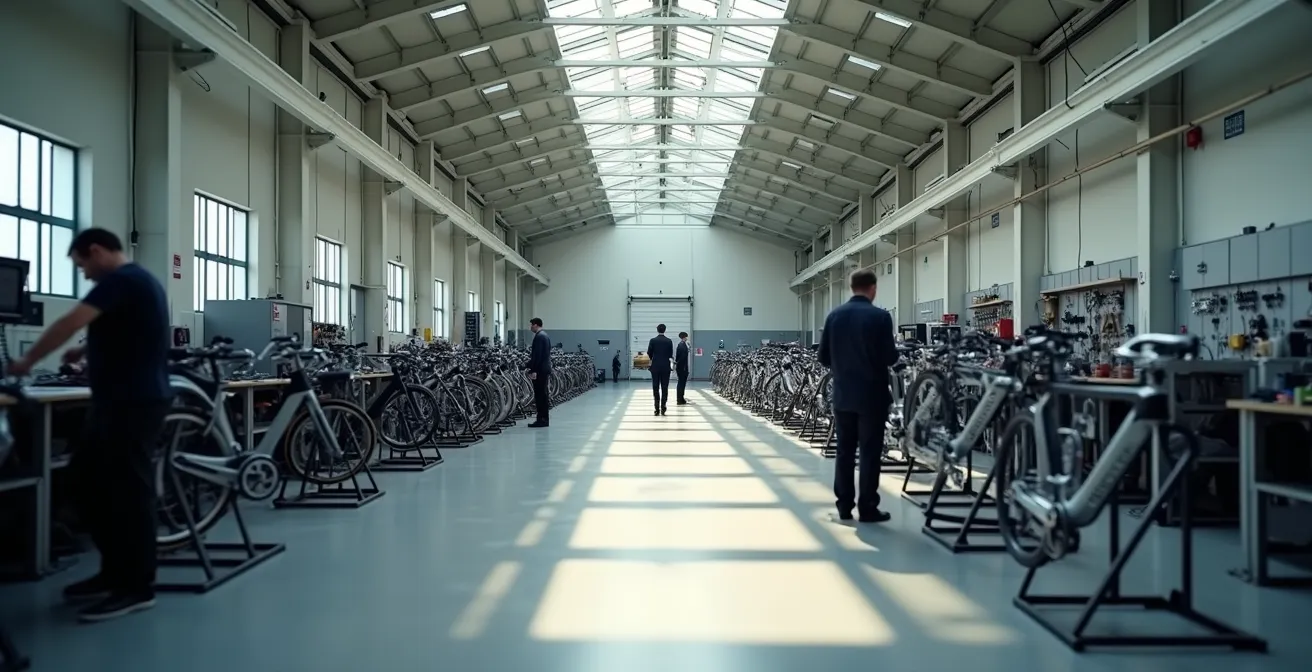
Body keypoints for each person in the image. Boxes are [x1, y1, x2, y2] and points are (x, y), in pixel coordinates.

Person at [6, 228, 172, 622]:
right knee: (88, 482)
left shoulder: (122, 280)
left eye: (82, 266)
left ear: (96, 251)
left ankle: (136, 587)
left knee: (128, 494)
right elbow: (125, 332)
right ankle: (113, 574)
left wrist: (25, 364)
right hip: (121, 401)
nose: (85, 276)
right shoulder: (138, 283)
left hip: (131, 403)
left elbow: (68, 321)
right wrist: (86, 349)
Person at [817, 268, 898, 523]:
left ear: (852, 288)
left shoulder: (834, 316)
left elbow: (822, 357)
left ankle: (843, 506)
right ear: (872, 288)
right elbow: (890, 357)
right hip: (872, 396)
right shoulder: (880, 317)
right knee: (870, 452)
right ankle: (868, 508)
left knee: (844, 450)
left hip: (843, 395)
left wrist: (843, 367)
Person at [525, 317, 552, 428]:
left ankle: (541, 419)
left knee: (540, 395)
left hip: (540, 370)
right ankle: (544, 419)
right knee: (543, 395)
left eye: (531, 325)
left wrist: (533, 369)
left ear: (536, 325)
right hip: (544, 368)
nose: (530, 327)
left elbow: (537, 356)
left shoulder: (539, 337)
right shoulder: (545, 336)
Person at [646, 324, 674, 416]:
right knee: (665, 387)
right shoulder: (669, 341)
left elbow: (649, 353)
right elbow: (670, 354)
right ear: (665, 330)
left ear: (657, 330)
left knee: (655, 387)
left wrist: (653, 359)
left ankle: (656, 408)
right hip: (666, 367)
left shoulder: (653, 341)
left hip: (655, 366)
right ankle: (663, 408)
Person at [675, 332, 691, 405]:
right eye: (686, 337)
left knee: (681, 383)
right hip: (682, 368)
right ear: (684, 337)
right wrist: (684, 368)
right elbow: (682, 358)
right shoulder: (682, 346)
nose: (687, 338)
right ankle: (680, 399)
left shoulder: (681, 345)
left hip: (681, 367)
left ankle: (681, 398)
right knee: (681, 383)